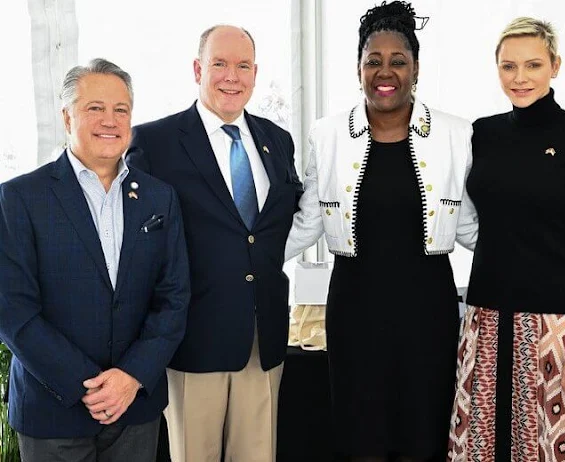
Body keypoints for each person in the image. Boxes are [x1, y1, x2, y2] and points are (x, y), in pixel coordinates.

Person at [284, 2, 477, 461]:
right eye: (374, 60)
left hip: (428, 310)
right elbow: (308, 222)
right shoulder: (327, 135)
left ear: (416, 69)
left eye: (398, 61)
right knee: (360, 435)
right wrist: (244, 262)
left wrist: (537, 268)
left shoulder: (455, 134)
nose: (384, 72)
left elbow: (470, 225)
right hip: (356, 311)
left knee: (423, 433)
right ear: (358, 69)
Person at [0, 58, 190, 462]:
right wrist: (87, 385)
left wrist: (131, 377)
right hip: (53, 410)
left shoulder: (159, 198)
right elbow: (12, 310)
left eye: (121, 109)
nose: (110, 119)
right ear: (67, 116)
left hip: (135, 408)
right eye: (95, 108)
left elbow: (174, 297)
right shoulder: (18, 198)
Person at [126, 25, 302, 462]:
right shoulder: (154, 142)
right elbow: (138, 245)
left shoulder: (277, 141)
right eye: (220, 64)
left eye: (243, 66)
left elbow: (276, 228)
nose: (232, 76)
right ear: (197, 69)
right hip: (192, 339)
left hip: (263, 340)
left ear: (256, 73)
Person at [447, 17, 565, 462]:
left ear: (555, 66)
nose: (519, 78)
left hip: (554, 330)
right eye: (508, 67)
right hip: (483, 322)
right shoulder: (482, 134)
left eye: (533, 65)